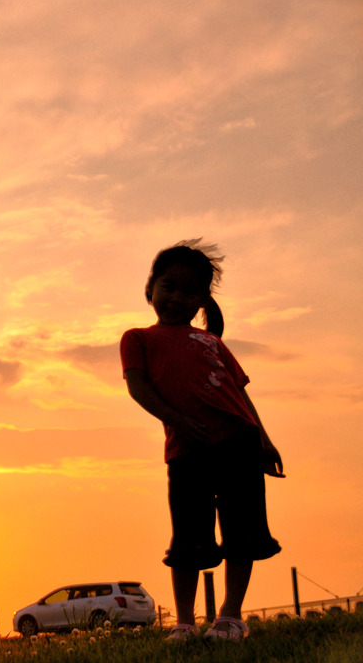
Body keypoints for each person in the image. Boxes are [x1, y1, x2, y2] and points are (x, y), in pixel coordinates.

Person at [120, 239, 283, 641]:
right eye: (168, 287)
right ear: (150, 288)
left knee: (242, 530)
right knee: (188, 536)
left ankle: (230, 616)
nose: (176, 298)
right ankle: (184, 622)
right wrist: (178, 421)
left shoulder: (214, 343)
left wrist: (264, 439)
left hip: (239, 443)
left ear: (201, 300)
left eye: (189, 291)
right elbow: (139, 388)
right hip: (187, 449)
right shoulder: (138, 338)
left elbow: (240, 394)